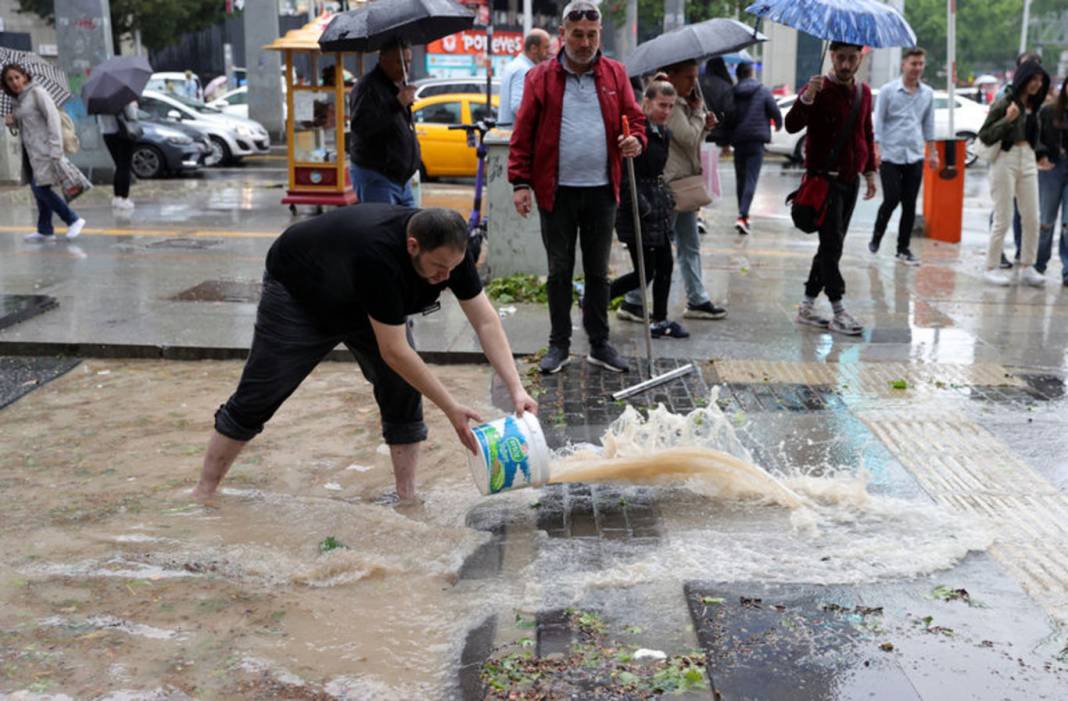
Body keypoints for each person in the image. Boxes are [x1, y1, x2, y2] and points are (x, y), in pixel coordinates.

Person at [192, 205, 537, 502]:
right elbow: (394, 351)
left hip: (365, 300)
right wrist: (450, 408)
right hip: (301, 293)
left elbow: (486, 322)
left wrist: (516, 388)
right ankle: (205, 491)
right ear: (413, 246)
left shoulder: (450, 251)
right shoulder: (377, 255)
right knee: (263, 391)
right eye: (437, 268)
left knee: (401, 390)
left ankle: (406, 495)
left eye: (452, 269)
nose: (445, 278)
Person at [508, 0, 645, 375]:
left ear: (599, 34)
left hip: (602, 190)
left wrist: (635, 141)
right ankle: (559, 345)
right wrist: (520, 182)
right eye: (577, 35)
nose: (584, 42)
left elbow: (634, 120)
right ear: (562, 36)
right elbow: (523, 135)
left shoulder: (615, 74)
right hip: (556, 191)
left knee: (599, 273)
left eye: (591, 35)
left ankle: (600, 344)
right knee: (559, 272)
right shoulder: (540, 77)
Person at [621, 58, 726, 323]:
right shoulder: (674, 107)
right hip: (670, 187)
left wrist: (704, 124)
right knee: (660, 255)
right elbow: (688, 136)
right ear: (673, 77)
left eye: (696, 76)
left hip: (683, 184)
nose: (694, 82)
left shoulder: (682, 106)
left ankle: (695, 298)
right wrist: (700, 115)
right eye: (689, 77)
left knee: (687, 244)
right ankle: (635, 301)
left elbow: (692, 143)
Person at [785, 42, 877, 336]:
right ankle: (837, 309)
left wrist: (871, 172)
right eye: (841, 58)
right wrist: (807, 97)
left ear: (860, 60)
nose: (846, 64)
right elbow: (791, 125)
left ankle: (806, 305)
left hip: (850, 182)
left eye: (852, 59)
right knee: (831, 246)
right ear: (832, 57)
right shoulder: (818, 89)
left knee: (830, 246)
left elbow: (866, 131)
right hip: (823, 182)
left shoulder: (863, 93)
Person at [609, 76, 688, 339]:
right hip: (636, 206)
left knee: (665, 264)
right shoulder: (636, 130)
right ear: (646, 102)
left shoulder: (664, 133)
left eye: (670, 106)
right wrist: (636, 203)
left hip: (657, 205)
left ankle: (660, 320)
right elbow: (624, 172)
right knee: (645, 272)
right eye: (661, 105)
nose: (666, 111)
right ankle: (595, 299)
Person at [977, 59, 1051, 286]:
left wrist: (1040, 155)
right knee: (1004, 216)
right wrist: (1008, 119)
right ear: (1024, 78)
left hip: (1027, 159)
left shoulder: (1035, 105)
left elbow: (1033, 136)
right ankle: (991, 266)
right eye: (1033, 79)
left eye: (1040, 80)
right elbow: (986, 134)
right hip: (1004, 159)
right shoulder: (1005, 100)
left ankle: (1028, 265)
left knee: (1032, 216)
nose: (1037, 84)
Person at [2, 63, 87, 243]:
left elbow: (53, 119)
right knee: (40, 188)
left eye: (17, 77)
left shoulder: (37, 93)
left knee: (40, 188)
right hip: (30, 152)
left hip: (45, 150)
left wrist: (56, 149)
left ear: (24, 76)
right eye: (9, 80)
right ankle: (45, 229)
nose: (14, 82)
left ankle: (73, 219)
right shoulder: (17, 100)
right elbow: (28, 124)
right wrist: (12, 123)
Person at [870, 47, 938, 266]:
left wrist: (933, 152)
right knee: (891, 198)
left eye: (920, 64)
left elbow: (928, 124)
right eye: (913, 64)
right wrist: (876, 148)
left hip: (914, 154)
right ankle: (877, 235)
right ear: (904, 65)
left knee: (909, 203)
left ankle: (903, 248)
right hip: (890, 153)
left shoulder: (927, 93)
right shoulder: (888, 91)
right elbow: (878, 121)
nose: (917, 68)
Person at [349, 38, 420, 206]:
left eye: (408, 61)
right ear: (383, 60)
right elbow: (362, 127)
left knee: (410, 226)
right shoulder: (367, 88)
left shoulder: (396, 85)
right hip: (378, 177)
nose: (405, 68)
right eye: (399, 62)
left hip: (402, 179)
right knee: (384, 228)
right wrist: (397, 104)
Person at [728, 62, 782, 236]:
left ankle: (743, 214)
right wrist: (779, 124)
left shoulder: (733, 92)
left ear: (738, 75)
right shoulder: (763, 90)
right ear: (751, 73)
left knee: (741, 179)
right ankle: (743, 216)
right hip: (756, 141)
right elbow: (775, 112)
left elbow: (729, 114)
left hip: (738, 141)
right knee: (751, 179)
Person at [1036, 76, 1068, 287]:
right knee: (1047, 220)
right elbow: (1036, 135)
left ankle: (1067, 269)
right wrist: (1041, 155)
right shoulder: (1048, 111)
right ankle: (1039, 264)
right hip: (1052, 167)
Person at [497, 28, 551, 126]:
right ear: (534, 48)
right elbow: (518, 106)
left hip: (507, 133)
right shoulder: (524, 70)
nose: (548, 52)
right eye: (546, 48)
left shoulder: (515, 65)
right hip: (515, 134)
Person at [98, 100, 140, 210]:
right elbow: (131, 114)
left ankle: (117, 197)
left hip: (107, 133)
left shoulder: (99, 99)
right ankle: (124, 198)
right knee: (125, 166)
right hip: (123, 132)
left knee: (119, 166)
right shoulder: (121, 96)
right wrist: (134, 105)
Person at [700, 57, 734, 147]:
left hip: (699, 130)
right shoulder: (725, 86)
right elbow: (730, 111)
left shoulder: (698, 83)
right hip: (720, 134)